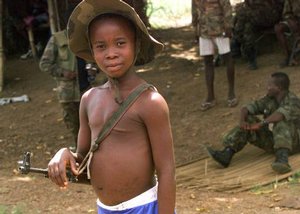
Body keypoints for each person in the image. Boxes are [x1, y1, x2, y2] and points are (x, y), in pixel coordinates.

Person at [47, 0, 176, 213]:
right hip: (104, 209)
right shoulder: (89, 99)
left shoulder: (151, 103)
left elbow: (166, 171)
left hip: (144, 207)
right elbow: (82, 158)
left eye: (120, 43)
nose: (111, 53)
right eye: (101, 46)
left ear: (136, 45)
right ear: (92, 50)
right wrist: (63, 154)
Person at [207, 72, 300, 174]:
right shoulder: (270, 99)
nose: (267, 87)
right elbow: (247, 108)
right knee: (249, 119)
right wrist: (242, 121)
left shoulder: (293, 101)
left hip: (294, 143)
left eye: (270, 85)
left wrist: (261, 124)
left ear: (279, 87)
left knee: (281, 122)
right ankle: (227, 153)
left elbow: (280, 115)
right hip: (276, 141)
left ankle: (282, 160)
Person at [39, 29, 91, 150]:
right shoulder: (57, 39)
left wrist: (93, 68)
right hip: (69, 93)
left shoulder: (87, 36)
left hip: (88, 90)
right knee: (75, 127)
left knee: (92, 125)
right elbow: (44, 64)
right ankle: (81, 157)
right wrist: (63, 72)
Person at [197, 0, 237, 111]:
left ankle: (231, 93)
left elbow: (226, 6)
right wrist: (196, 28)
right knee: (207, 62)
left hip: (220, 28)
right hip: (204, 30)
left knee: (227, 58)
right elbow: (195, 9)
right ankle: (210, 97)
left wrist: (229, 26)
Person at [232, 0, 284, 70]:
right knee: (247, 27)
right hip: (256, 17)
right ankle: (251, 59)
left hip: (271, 15)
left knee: (241, 14)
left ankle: (236, 41)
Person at [274, 0, 300, 67]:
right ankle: (288, 56)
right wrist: (290, 20)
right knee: (278, 28)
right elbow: (286, 14)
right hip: (296, 21)